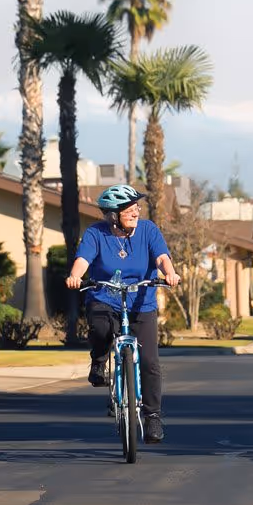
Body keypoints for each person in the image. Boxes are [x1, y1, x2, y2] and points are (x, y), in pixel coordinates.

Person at [66, 184, 181, 443]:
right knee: (101, 328)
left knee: (150, 362)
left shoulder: (148, 230)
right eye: (129, 210)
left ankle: (152, 418)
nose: (135, 212)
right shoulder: (96, 233)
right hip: (105, 297)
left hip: (142, 302)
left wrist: (169, 273)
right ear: (113, 215)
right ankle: (98, 361)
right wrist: (75, 276)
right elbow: (83, 259)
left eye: (136, 208)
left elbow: (162, 256)